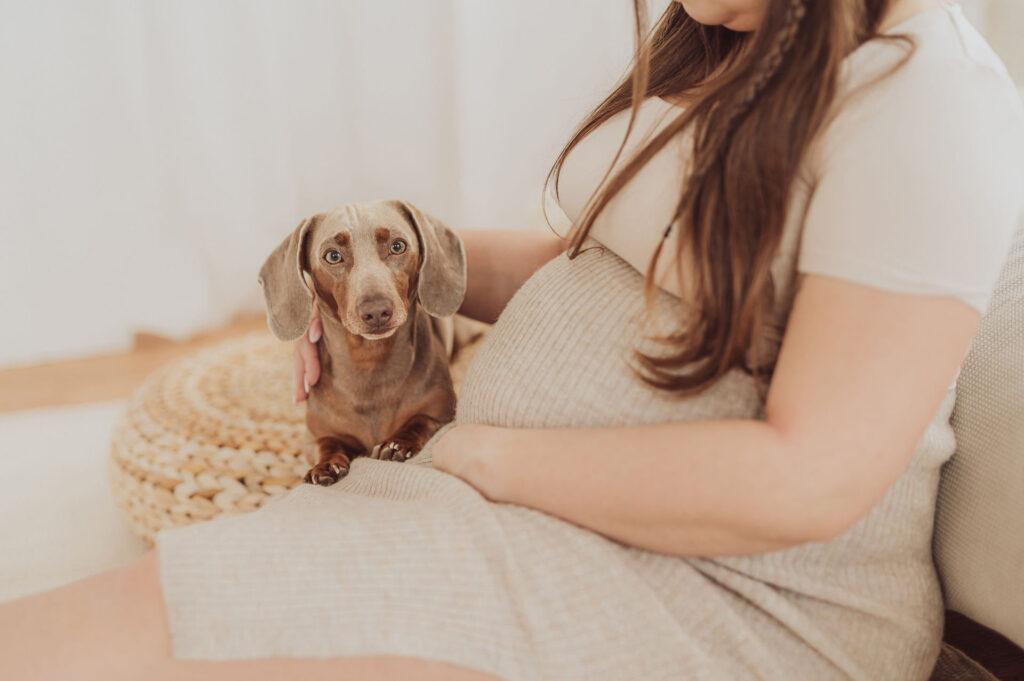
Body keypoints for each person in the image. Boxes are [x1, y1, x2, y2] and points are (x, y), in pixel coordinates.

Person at [3, 0, 1022, 679]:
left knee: (193, 639)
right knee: (155, 608)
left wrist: (481, 458)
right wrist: (387, 272)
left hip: (740, 596)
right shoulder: (733, 44)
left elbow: (810, 481)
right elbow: (627, 267)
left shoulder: (927, 103)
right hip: (532, 509)